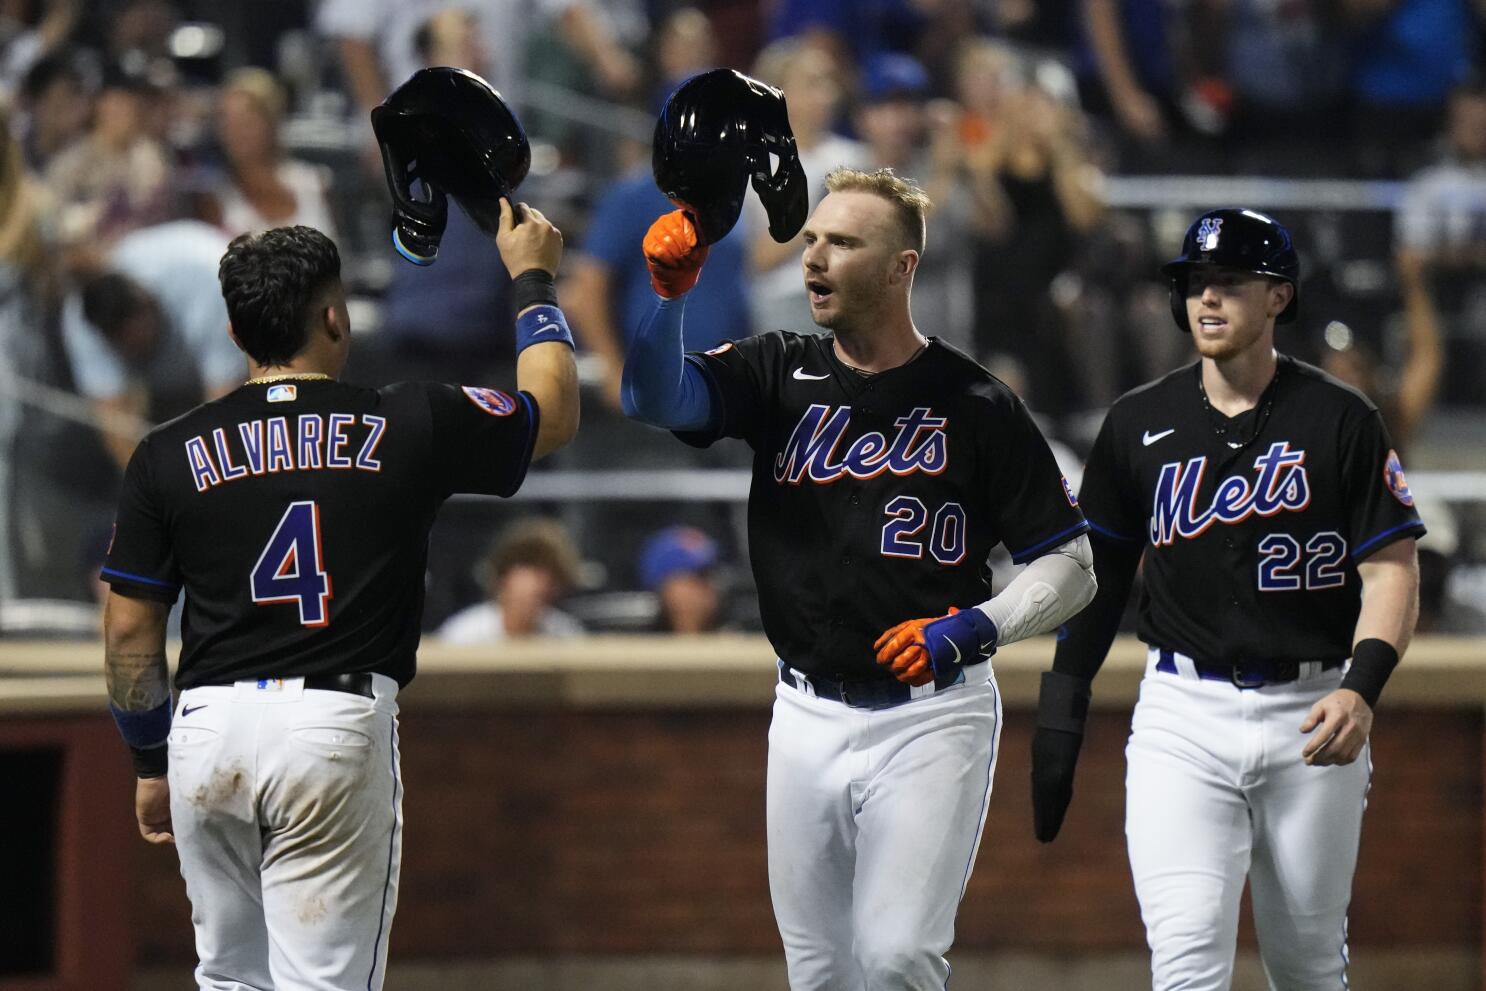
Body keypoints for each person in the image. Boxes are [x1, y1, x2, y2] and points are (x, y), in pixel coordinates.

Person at [624, 167, 1097, 987]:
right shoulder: (780, 370)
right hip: (804, 708)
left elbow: (1073, 564)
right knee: (820, 971)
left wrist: (976, 626)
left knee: (898, 955)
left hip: (931, 714)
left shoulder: (977, 401)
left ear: (901, 267)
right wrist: (669, 296)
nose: (815, 258)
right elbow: (653, 398)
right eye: (811, 239)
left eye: (843, 242)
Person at [99, 209, 579, 989]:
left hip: (207, 729)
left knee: (229, 980)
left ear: (234, 330)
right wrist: (533, 278)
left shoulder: (166, 450)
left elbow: (128, 631)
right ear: (333, 315)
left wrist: (149, 761)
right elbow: (553, 412)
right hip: (330, 721)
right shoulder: (409, 418)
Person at [1031, 208, 1425, 990]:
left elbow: (1392, 569)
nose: (1206, 300)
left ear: (1279, 296)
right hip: (1184, 712)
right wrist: (1061, 709)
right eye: (1194, 284)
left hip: (1313, 708)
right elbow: (1100, 576)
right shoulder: (1138, 420)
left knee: (1309, 967)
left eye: (1229, 284)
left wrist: (1362, 687)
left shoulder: (1341, 417)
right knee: (1184, 967)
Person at [435, 517, 585, 642]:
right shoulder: (463, 634)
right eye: (530, 567)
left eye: (551, 575)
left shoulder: (566, 636)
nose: (541, 583)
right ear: (504, 574)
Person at [638, 525, 724, 634]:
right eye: (690, 581)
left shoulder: (737, 643)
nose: (702, 592)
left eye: (706, 579)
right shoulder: (629, 645)